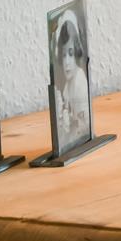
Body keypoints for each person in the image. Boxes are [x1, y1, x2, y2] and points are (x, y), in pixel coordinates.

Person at [50, 8, 91, 152]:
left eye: (71, 54)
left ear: (77, 53)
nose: (67, 62)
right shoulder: (67, 88)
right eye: (63, 55)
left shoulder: (80, 82)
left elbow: (83, 127)